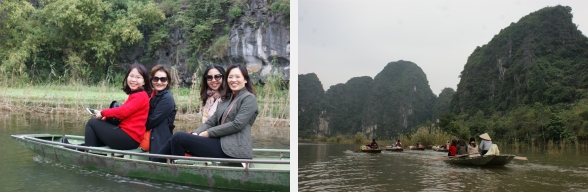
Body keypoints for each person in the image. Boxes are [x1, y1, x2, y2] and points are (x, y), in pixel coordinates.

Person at [155, 63, 258, 160]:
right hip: (220, 143)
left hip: (234, 149)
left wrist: (208, 133)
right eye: (230, 77)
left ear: (245, 80)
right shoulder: (228, 99)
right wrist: (196, 133)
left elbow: (237, 124)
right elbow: (210, 122)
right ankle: (157, 163)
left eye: (237, 77)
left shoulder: (248, 98)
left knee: (178, 137)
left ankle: (168, 167)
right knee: (178, 138)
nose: (233, 80)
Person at [82, 63, 152, 150]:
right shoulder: (136, 94)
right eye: (131, 76)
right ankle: (83, 147)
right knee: (98, 128)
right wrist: (104, 117)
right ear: (127, 77)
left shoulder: (140, 96)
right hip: (128, 137)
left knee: (92, 123)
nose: (133, 80)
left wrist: (103, 113)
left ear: (144, 81)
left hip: (128, 138)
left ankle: (88, 154)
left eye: (138, 77)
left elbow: (123, 112)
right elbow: (125, 114)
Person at [145, 64, 177, 160]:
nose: (159, 82)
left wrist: (136, 124)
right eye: (156, 79)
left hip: (160, 140)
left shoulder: (167, 98)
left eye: (163, 79)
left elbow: (152, 121)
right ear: (151, 80)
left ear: (168, 81)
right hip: (153, 137)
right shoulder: (153, 94)